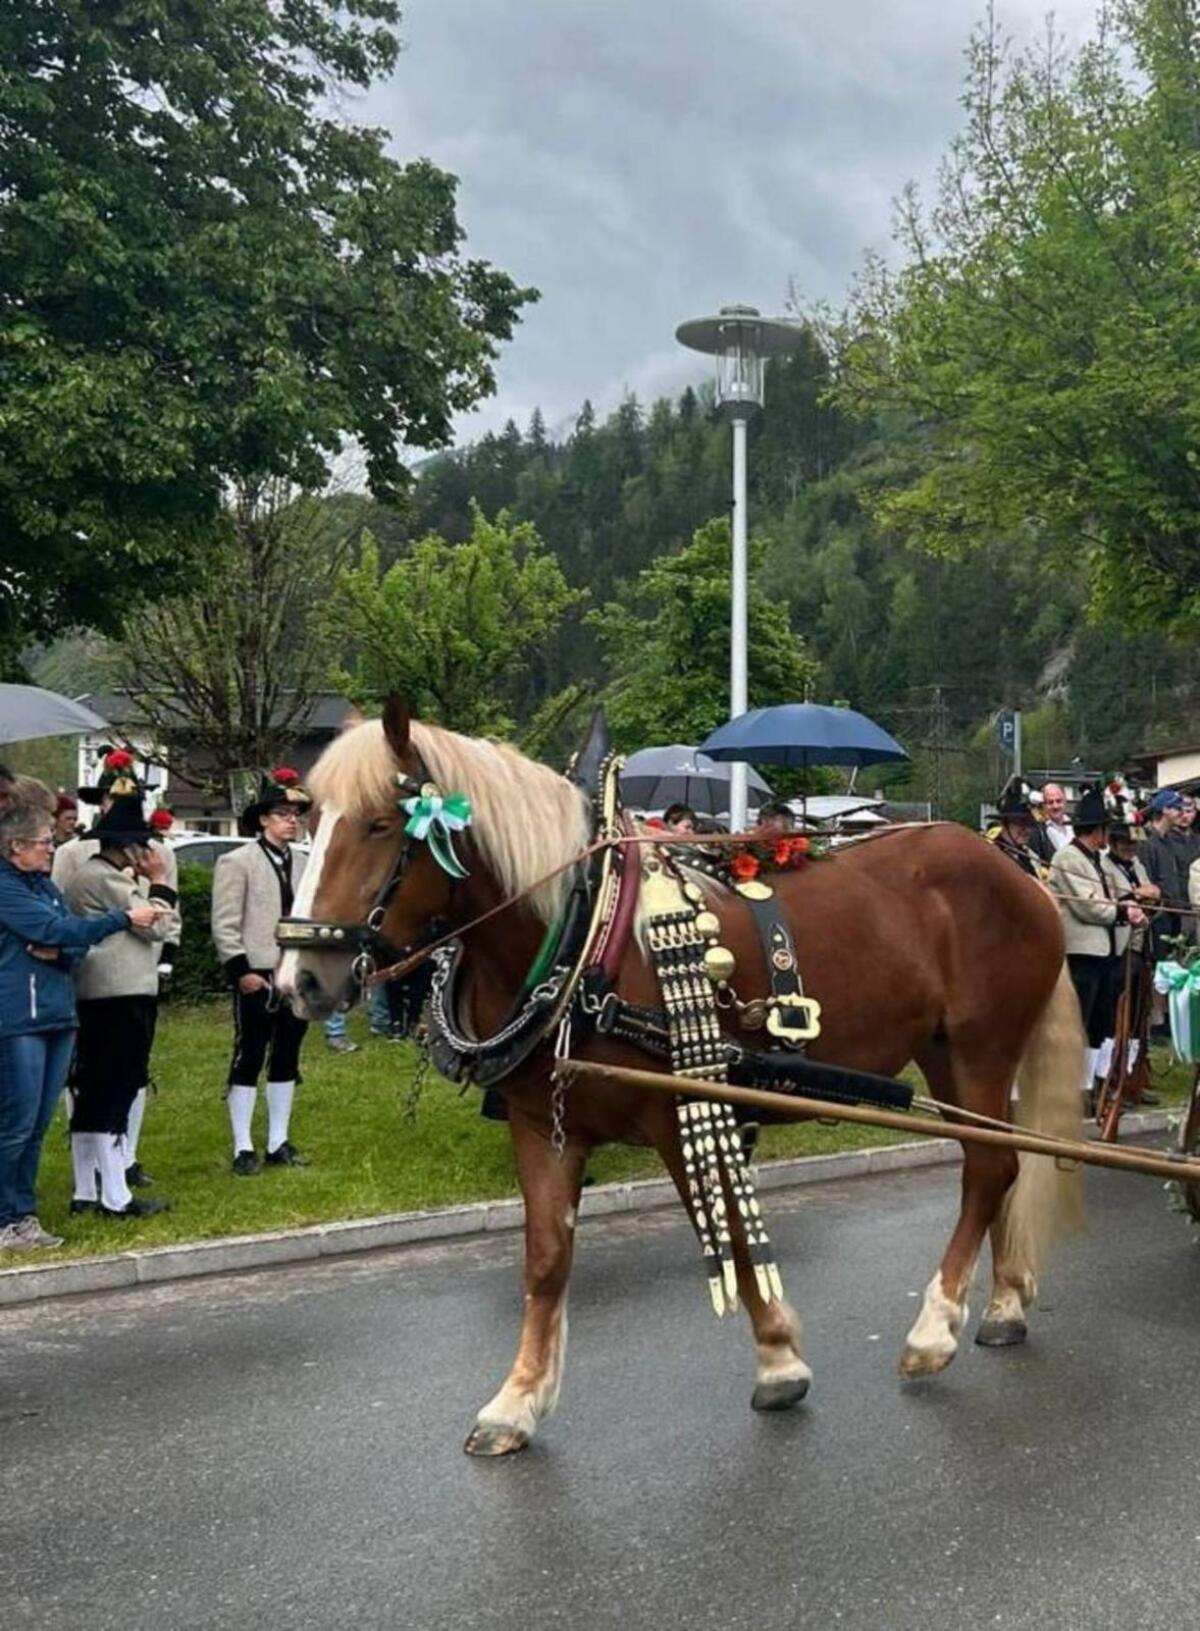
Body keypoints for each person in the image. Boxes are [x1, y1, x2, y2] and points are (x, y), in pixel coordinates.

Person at [0, 799, 161, 1251]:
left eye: (51, 841)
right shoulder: (6, 888)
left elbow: (69, 941)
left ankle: (23, 1214)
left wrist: (63, 944)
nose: (51, 849)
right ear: (15, 847)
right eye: (43, 843)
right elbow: (57, 931)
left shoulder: (47, 889)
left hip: (58, 1012)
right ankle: (3, 1217)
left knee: (36, 1125)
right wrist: (120, 919)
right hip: (19, 1017)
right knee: (15, 1121)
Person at [55, 757, 180, 1186]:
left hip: (117, 990)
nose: (147, 853)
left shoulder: (108, 876)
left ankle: (92, 1189)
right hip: (116, 991)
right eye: (141, 844)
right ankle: (113, 1190)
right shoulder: (106, 879)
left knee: (102, 1087)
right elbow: (159, 924)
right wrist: (160, 881)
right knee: (114, 1087)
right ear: (126, 846)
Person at [212, 769, 312, 1175]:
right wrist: (240, 970)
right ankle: (242, 1145)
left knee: (288, 1054)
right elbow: (225, 921)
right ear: (263, 820)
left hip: (295, 973)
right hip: (257, 973)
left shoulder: (304, 862)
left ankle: (277, 1140)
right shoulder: (238, 861)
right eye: (283, 814)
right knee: (249, 1054)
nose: (292, 820)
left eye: (295, 814)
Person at [1049, 787, 1146, 1111]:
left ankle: (1098, 1086)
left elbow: (1121, 892)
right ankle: (1075, 1089)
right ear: (1097, 830)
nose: (1109, 835)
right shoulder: (1068, 858)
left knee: (1102, 1025)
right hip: (1083, 954)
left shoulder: (1099, 861)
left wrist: (1131, 904)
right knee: (1080, 1023)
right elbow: (1090, 907)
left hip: (1106, 953)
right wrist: (1123, 910)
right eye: (1106, 829)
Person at [988, 785, 1043, 878]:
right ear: (1004, 824)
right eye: (1020, 823)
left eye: (1031, 824)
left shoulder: (1029, 856)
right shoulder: (991, 856)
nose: (1027, 830)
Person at [1028, 781, 1073, 863]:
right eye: (1050, 802)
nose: (1055, 806)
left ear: (1065, 801)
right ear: (1044, 805)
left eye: (1058, 801)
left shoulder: (1076, 826)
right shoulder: (1037, 833)